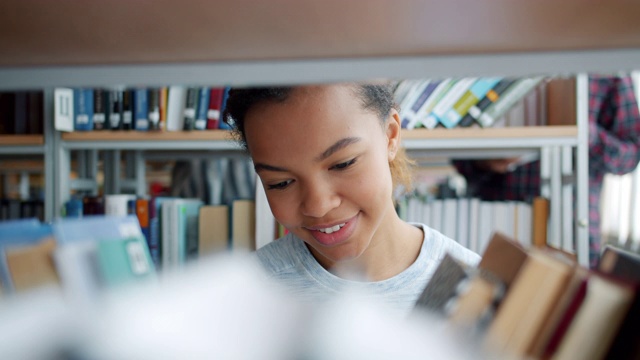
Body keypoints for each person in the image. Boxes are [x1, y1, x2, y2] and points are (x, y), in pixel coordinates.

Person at [223, 83, 479, 315]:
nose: (318, 206)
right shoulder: (240, 300)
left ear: (390, 135)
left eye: (343, 164)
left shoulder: (476, 289)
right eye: (281, 183)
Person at [453, 74, 640, 268]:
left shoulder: (608, 71)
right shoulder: (497, 59)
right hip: (493, 223)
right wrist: (484, 162)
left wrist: (584, 132)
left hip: (573, 230)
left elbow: (629, 158)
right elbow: (453, 145)